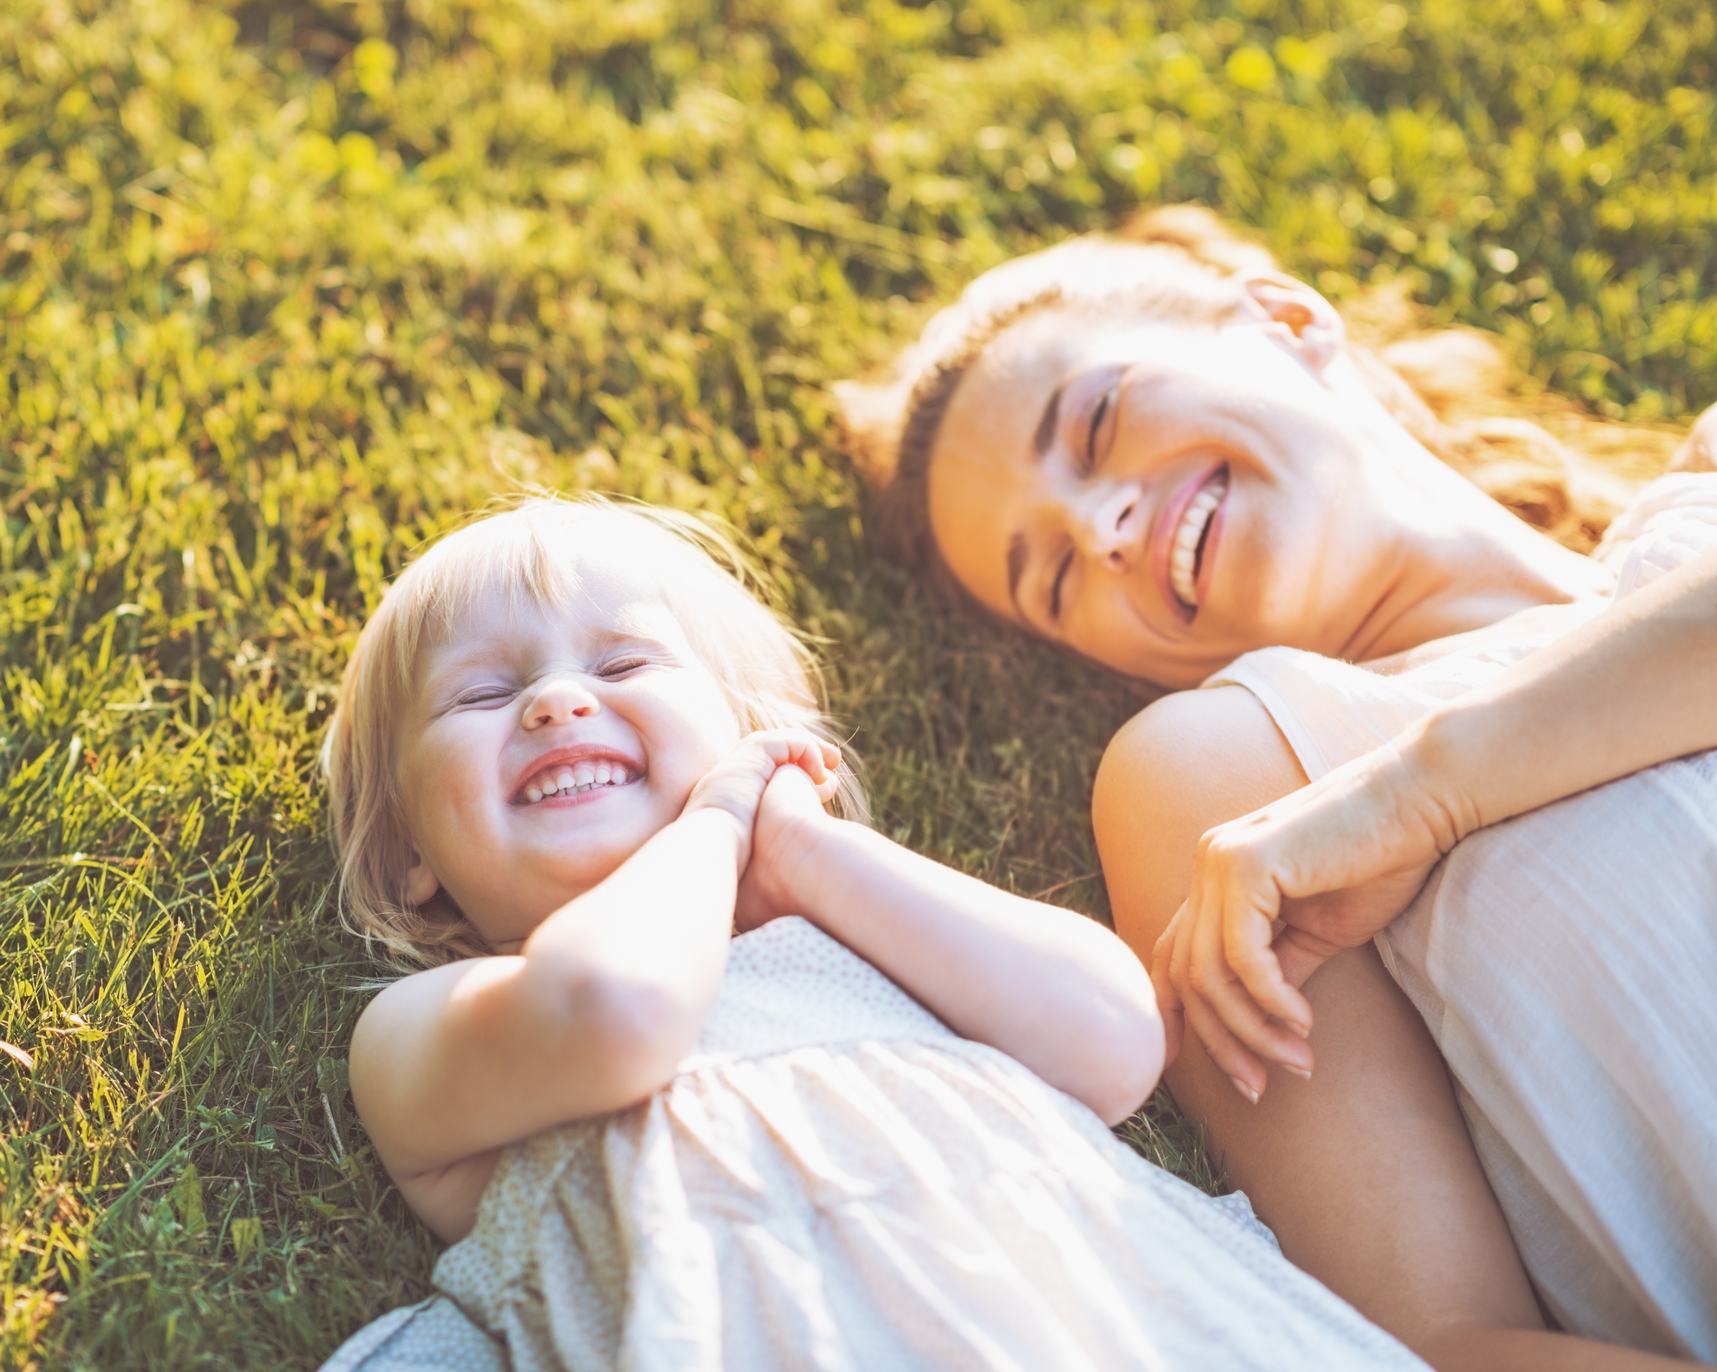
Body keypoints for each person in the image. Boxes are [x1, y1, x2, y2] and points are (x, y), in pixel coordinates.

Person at [841, 206, 1717, 1369]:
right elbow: (1442, 1337)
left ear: (1287, 320)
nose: (1098, 525)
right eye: (1052, 577)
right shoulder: (1239, 779)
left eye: (1095, 421)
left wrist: (1429, 792)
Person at [315, 497, 1430, 1370]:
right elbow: (615, 1012)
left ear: (750, 741)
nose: (555, 703)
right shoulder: (434, 1023)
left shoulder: (870, 935)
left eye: (618, 666)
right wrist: (710, 825)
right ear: (411, 855)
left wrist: (802, 851)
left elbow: (1114, 1039)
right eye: (478, 697)